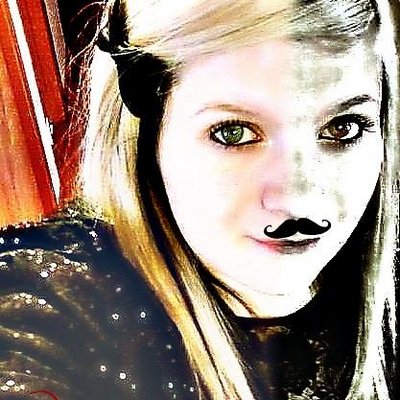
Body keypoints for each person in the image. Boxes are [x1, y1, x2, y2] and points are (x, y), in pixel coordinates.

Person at [0, 0, 398, 399]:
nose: (299, 202)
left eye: (343, 128)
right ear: (149, 135)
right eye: (233, 132)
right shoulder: (48, 299)